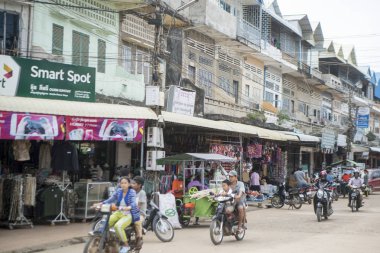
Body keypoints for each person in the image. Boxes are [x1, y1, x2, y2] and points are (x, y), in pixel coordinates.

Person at [98, 177, 140, 253]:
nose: (123, 185)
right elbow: (111, 199)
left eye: (125, 183)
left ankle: (126, 245)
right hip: (119, 212)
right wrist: (101, 203)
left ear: (129, 184)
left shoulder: (132, 192)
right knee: (105, 223)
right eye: (122, 183)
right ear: (120, 184)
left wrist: (129, 207)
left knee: (118, 226)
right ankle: (109, 240)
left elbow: (134, 202)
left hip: (129, 213)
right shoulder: (119, 191)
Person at [131, 176, 146, 250]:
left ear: (139, 185)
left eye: (134, 183)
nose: (132, 185)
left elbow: (138, 206)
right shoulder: (131, 191)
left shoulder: (142, 193)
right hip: (130, 212)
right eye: (132, 183)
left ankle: (139, 238)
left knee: (137, 221)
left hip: (140, 213)